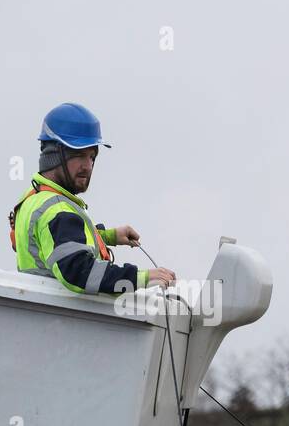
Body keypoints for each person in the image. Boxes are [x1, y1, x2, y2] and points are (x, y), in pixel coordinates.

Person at [9, 103, 176, 294]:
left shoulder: (35, 198)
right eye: (79, 155)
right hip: (61, 320)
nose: (87, 166)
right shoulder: (57, 211)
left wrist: (109, 236)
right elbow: (79, 272)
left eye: (92, 157)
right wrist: (143, 278)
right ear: (54, 155)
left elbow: (58, 240)